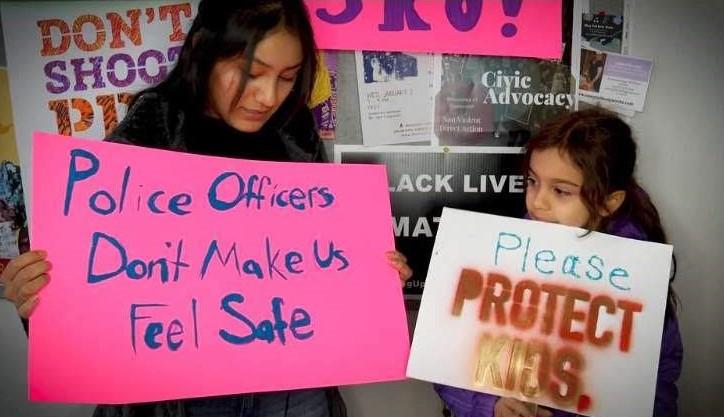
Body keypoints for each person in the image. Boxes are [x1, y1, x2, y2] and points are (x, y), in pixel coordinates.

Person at [0, 1, 412, 416]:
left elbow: (325, 263)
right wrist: (40, 300)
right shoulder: (152, 131)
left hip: (290, 389)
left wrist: (373, 279)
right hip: (177, 396)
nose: (268, 96)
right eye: (251, 73)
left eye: (287, 78)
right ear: (203, 51)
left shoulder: (296, 134)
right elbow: (91, 297)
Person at [434, 109, 683, 417]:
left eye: (561, 191)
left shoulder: (639, 280)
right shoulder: (501, 255)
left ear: (609, 202)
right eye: (532, 181)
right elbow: (448, 357)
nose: (537, 201)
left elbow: (656, 388)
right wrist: (489, 406)